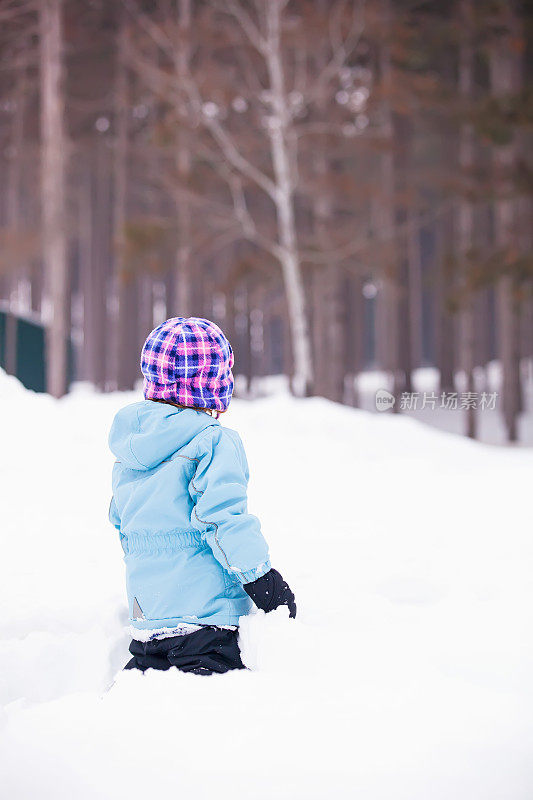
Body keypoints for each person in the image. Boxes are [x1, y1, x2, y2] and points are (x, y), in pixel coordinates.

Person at [108, 316, 296, 675]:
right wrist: (262, 580)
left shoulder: (130, 448)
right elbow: (223, 517)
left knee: (148, 695)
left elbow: (121, 520)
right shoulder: (212, 442)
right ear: (215, 382)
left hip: (147, 617)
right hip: (206, 621)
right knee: (211, 704)